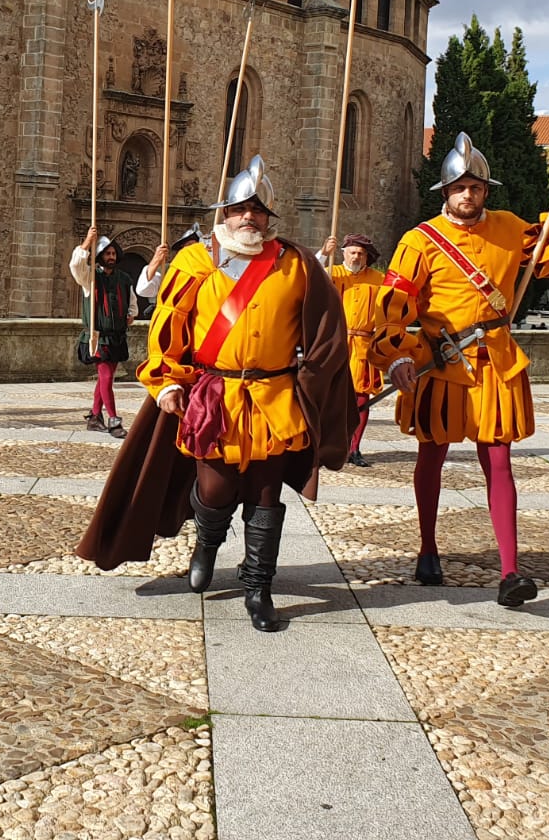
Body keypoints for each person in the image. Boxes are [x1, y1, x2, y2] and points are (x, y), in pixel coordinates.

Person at [77, 156, 357, 631]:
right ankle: (207, 543)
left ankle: (257, 586)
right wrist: (166, 381)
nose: (250, 216)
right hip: (214, 394)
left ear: (270, 218)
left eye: (259, 210)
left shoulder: (298, 264)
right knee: (215, 487)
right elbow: (169, 327)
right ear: (224, 212)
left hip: (274, 395)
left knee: (267, 496)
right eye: (240, 208)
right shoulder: (194, 260)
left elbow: (329, 333)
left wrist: (315, 386)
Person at [372, 132, 549, 609]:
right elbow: (393, 306)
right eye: (459, 187)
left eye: (475, 187)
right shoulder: (419, 241)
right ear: (446, 192)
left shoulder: (512, 228)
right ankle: (428, 549)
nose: (467, 195)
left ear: (486, 191)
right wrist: (400, 355)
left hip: (496, 360)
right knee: (431, 458)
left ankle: (510, 571)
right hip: (442, 361)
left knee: (499, 461)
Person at [69, 230, 166, 438]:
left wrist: (131, 314)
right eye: (107, 254)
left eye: (113, 253)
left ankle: (95, 417)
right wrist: (87, 241)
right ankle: (113, 420)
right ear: (100, 256)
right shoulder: (90, 277)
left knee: (106, 378)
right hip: (97, 335)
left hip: (117, 336)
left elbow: (132, 303)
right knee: (105, 376)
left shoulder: (124, 278)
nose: (111, 257)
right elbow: (75, 265)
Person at [318, 232, 386, 467]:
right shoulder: (331, 273)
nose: (357, 257)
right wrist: (323, 254)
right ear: (343, 253)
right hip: (335, 343)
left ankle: (353, 448)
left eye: (361, 253)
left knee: (360, 399)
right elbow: (306, 279)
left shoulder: (379, 279)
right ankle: (323, 447)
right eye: (353, 252)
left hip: (364, 346)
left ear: (367, 257)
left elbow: (389, 309)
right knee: (328, 397)